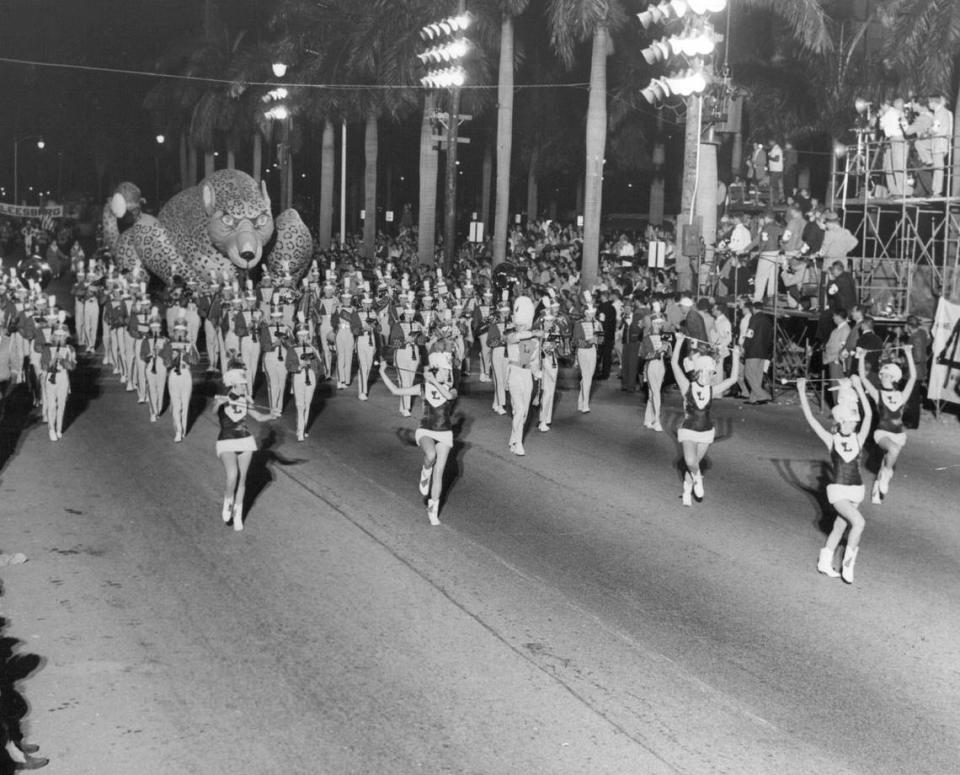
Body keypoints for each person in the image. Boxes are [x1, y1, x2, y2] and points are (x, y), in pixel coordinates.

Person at [797, 374, 872, 584]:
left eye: (853, 421)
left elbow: (868, 416)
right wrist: (802, 392)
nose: (852, 424)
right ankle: (848, 565)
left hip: (856, 490)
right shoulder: (831, 440)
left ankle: (824, 560)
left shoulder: (859, 437)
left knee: (840, 526)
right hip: (838, 491)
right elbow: (811, 419)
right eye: (849, 421)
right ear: (840, 421)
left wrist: (858, 386)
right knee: (858, 523)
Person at [378, 351, 458, 526]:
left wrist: (435, 380)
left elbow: (448, 396)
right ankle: (424, 471)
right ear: (437, 371)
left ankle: (433, 510)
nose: (448, 373)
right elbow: (395, 390)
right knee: (431, 456)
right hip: (426, 430)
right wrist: (383, 372)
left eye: (448, 371)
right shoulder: (422, 388)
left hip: (444, 432)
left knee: (440, 473)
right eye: (445, 370)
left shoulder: (452, 389)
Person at [670, 332, 741, 505]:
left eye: (711, 373)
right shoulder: (686, 386)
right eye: (708, 373)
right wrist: (679, 342)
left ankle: (687, 490)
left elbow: (732, 379)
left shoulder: (712, 390)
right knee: (690, 461)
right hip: (688, 430)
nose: (710, 376)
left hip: (705, 432)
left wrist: (736, 355)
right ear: (699, 372)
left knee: (694, 463)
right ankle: (697, 478)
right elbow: (674, 364)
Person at [212, 361, 273, 531]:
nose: (244, 388)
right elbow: (214, 411)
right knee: (232, 475)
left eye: (245, 385)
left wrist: (272, 415)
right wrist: (218, 403)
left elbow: (259, 417)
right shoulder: (223, 398)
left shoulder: (245, 399)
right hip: (226, 440)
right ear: (233, 384)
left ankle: (238, 515)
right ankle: (228, 501)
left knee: (243, 480)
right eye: (241, 385)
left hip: (245, 440)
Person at [857, 345, 916, 504]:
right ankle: (886, 475)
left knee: (886, 460)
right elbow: (862, 377)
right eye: (882, 374)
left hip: (898, 434)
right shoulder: (877, 394)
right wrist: (862, 356)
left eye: (886, 375)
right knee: (892, 451)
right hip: (882, 433)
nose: (883, 376)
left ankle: (878, 489)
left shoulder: (901, 395)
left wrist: (909, 353)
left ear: (894, 378)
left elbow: (912, 378)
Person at [504, 296, 542, 456]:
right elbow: (514, 338)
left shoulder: (534, 341)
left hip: (527, 375)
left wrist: (537, 373)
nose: (519, 325)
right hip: (514, 373)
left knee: (524, 411)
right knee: (518, 409)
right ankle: (518, 442)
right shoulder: (511, 335)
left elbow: (534, 361)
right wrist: (532, 332)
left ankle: (513, 439)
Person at [162, 312, 200, 443]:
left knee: (185, 404)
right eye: (177, 331)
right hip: (174, 374)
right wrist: (171, 357)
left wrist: (187, 354)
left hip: (185, 374)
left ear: (185, 333)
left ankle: (183, 428)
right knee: (177, 404)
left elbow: (195, 361)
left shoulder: (190, 345)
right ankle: (178, 430)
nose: (180, 334)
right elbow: (165, 363)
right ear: (174, 332)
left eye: (182, 332)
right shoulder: (169, 344)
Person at [285, 313, 321, 441]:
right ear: (297, 337)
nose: (303, 338)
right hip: (298, 376)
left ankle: (304, 428)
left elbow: (320, 365)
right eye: (300, 336)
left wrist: (312, 364)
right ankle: (300, 431)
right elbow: (288, 365)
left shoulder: (313, 348)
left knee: (307, 404)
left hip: (310, 376)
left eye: (305, 335)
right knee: (300, 405)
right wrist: (299, 366)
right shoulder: (292, 349)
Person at [40, 312, 75, 442]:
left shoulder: (69, 349)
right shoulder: (47, 349)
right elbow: (44, 366)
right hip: (50, 377)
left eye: (63, 336)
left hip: (63, 377)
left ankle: (59, 428)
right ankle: (51, 429)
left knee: (62, 404)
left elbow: (72, 366)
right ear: (53, 336)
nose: (60, 338)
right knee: (51, 405)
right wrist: (53, 360)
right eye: (57, 336)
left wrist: (65, 361)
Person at [641, 304, 671, 431]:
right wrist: (659, 351)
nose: (659, 326)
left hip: (661, 365)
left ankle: (648, 419)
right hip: (651, 366)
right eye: (657, 323)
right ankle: (657, 421)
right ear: (652, 324)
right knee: (656, 393)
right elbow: (645, 355)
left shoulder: (665, 337)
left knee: (653, 393)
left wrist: (670, 346)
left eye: (660, 323)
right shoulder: (647, 338)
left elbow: (669, 355)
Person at [572, 295, 602, 413]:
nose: (592, 315)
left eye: (593, 313)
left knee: (588, 376)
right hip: (583, 351)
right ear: (585, 313)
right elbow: (575, 341)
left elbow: (602, 339)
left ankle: (580, 401)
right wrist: (588, 342)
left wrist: (597, 340)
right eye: (589, 313)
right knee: (586, 376)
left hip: (593, 351)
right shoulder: (579, 323)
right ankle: (585, 404)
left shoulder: (597, 323)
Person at [140, 307, 168, 423]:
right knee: (152, 389)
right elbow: (142, 355)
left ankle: (158, 410)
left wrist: (161, 353)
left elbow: (168, 355)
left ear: (160, 329)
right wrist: (150, 354)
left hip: (161, 366)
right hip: (151, 365)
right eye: (153, 328)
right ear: (151, 329)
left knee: (161, 390)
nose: (156, 329)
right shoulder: (146, 340)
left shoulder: (165, 340)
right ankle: (153, 411)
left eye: (157, 327)